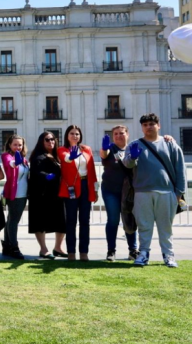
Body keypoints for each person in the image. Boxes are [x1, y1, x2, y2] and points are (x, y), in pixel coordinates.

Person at [123, 113, 186, 268]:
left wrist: (179, 193)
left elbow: (180, 169)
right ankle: (143, 254)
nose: (148, 127)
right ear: (141, 127)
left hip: (167, 192)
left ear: (159, 125)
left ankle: (168, 255)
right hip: (142, 192)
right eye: (145, 125)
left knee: (166, 227)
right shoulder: (134, 145)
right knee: (144, 225)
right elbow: (127, 165)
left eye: (151, 124)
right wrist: (132, 158)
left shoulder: (170, 144)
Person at [58, 125, 98, 261]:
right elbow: (65, 158)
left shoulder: (86, 149)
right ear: (67, 136)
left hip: (86, 185)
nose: (75, 136)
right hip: (71, 188)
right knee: (71, 221)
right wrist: (71, 156)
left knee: (85, 221)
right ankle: (71, 252)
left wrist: (95, 189)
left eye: (77, 134)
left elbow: (92, 170)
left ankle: (84, 252)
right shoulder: (62, 150)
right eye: (72, 133)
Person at [100, 126, 139, 261]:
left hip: (128, 191)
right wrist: (104, 148)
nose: (118, 136)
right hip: (110, 189)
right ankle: (111, 251)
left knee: (129, 219)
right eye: (115, 134)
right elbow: (104, 154)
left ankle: (133, 250)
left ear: (127, 134)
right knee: (113, 220)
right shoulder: (110, 148)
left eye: (121, 133)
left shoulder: (132, 148)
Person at [28, 132, 67, 259]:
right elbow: (35, 172)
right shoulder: (38, 157)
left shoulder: (56, 155)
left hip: (56, 193)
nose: (51, 141)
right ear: (41, 141)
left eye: (53, 139)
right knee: (40, 222)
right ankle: (43, 249)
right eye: (47, 139)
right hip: (41, 194)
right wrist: (46, 176)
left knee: (61, 221)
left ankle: (58, 248)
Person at [0, 134, 29, 260]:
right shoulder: (7, 156)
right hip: (14, 193)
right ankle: (14, 247)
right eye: (15, 144)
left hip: (24, 193)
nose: (18, 147)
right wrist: (14, 163)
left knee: (11, 220)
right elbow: (9, 164)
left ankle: (7, 246)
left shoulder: (24, 159)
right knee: (13, 221)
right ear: (10, 145)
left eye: (20, 145)